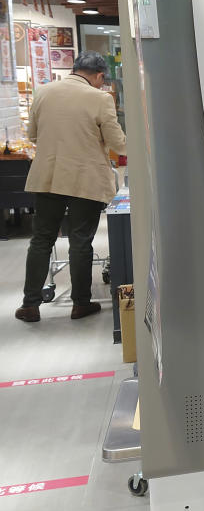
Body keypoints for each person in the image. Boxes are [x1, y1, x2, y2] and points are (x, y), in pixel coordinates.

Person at [16, 51, 126, 322]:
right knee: (80, 241)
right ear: (99, 75)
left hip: (49, 176)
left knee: (41, 239)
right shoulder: (100, 98)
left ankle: (30, 305)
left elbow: (32, 135)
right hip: (84, 178)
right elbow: (118, 142)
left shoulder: (43, 92)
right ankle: (81, 303)